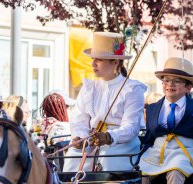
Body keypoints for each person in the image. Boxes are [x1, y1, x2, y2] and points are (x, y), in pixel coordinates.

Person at [63, 31, 147, 172]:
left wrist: (109, 137)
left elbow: (132, 126)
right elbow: (79, 119)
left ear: (115, 62)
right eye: (93, 59)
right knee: (73, 156)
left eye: (99, 60)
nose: (93, 64)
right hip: (92, 140)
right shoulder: (90, 88)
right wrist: (82, 138)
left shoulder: (132, 89)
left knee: (107, 157)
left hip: (121, 143)